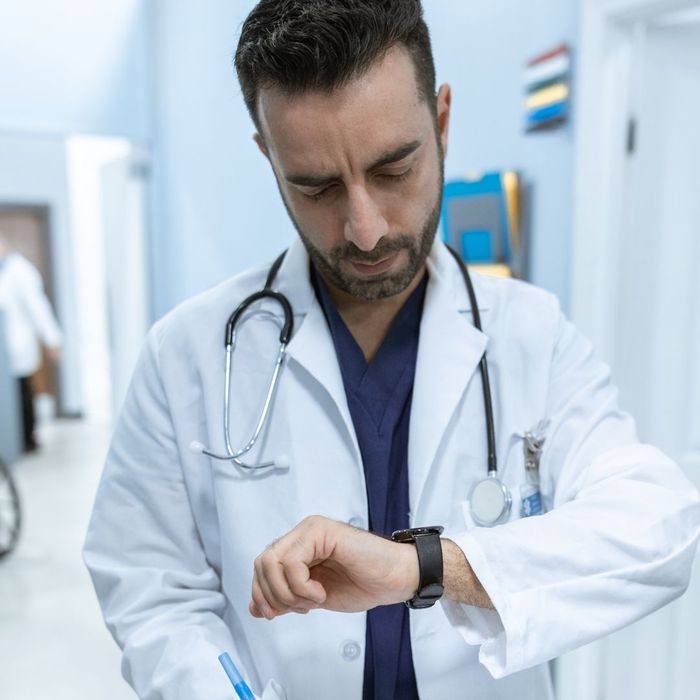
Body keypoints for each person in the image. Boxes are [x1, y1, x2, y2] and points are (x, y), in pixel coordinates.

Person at [83, 2, 700, 699]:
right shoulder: (185, 355)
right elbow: (151, 591)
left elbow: (659, 527)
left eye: (393, 170)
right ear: (267, 154)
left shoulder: (531, 334)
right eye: (316, 186)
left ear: (441, 122)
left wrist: (426, 567)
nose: (366, 230)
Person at [0, 233, 62, 452]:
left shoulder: (20, 271)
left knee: (22, 392)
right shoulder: (5, 271)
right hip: (6, 349)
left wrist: (52, 340)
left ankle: (27, 438)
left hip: (18, 345)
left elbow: (39, 309)